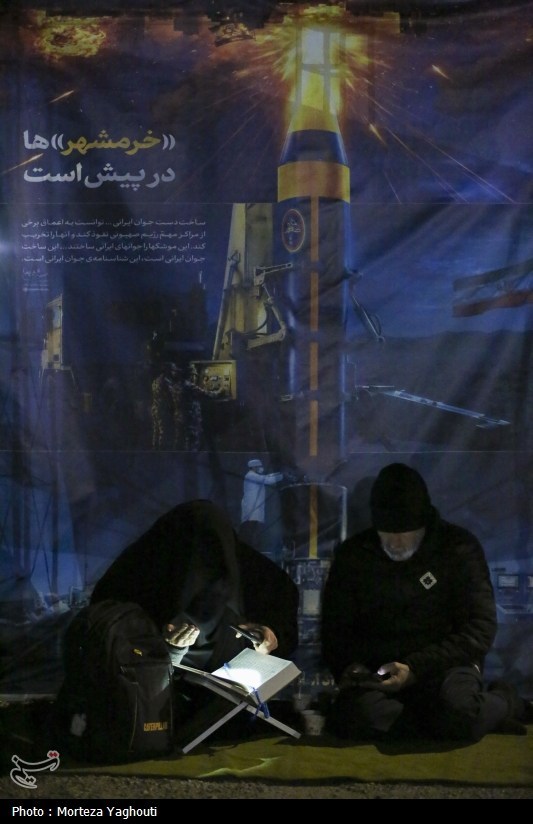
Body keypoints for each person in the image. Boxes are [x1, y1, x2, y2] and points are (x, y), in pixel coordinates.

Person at [321, 462, 532, 742]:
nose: (395, 543)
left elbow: (480, 628)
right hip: (381, 671)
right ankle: (443, 721)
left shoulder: (458, 549)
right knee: (352, 718)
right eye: (387, 533)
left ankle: (504, 701)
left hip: (444, 666)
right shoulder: (354, 555)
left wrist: (416, 668)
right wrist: (348, 666)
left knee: (459, 712)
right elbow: (335, 627)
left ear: (422, 525)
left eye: (403, 533)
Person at [90, 499, 299, 737]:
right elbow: (109, 637)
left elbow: (280, 619)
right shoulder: (137, 574)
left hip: (228, 713)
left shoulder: (257, 576)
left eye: (215, 569)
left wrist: (270, 634)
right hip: (146, 713)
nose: (203, 573)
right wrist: (164, 649)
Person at [239, 458, 283, 550]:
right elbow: (267, 480)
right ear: (253, 467)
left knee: (253, 528)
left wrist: (278, 473)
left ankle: (251, 546)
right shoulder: (251, 476)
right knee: (251, 529)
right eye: (259, 466)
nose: (261, 468)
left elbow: (267, 476)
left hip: (253, 508)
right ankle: (250, 547)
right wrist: (282, 476)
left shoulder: (254, 476)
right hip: (252, 509)